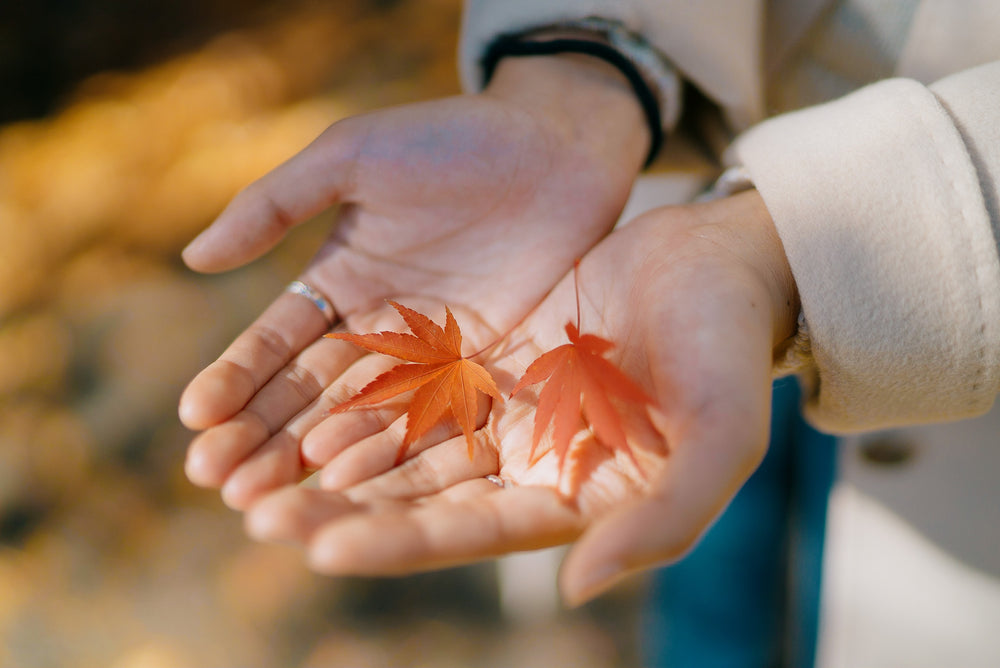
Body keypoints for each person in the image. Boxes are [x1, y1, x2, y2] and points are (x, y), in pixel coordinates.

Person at [179, 1, 1000, 665]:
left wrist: (805, 240)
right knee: (705, 576)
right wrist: (581, 60)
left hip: (924, 336)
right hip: (644, 261)